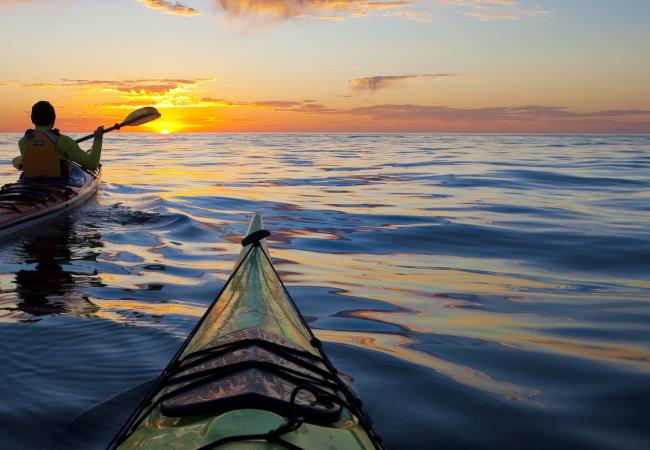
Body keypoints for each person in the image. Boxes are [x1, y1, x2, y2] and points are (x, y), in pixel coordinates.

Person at [12, 101, 103, 179]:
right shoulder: (63, 141)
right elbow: (92, 164)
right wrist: (98, 139)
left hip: (29, 183)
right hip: (58, 183)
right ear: (53, 119)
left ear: (32, 119)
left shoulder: (23, 142)